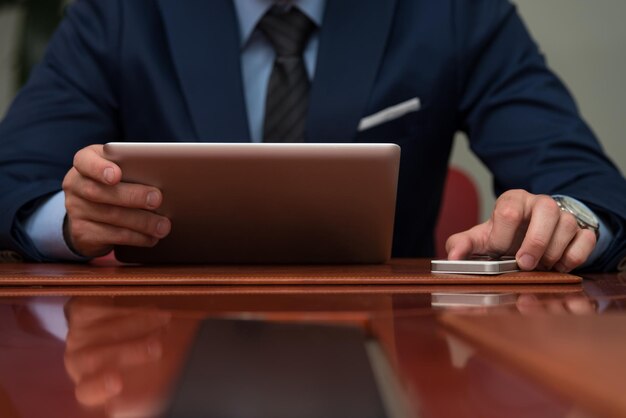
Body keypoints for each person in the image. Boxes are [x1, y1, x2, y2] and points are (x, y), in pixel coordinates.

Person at [0, 0, 625, 271]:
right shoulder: (121, 14)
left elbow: (583, 182)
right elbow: (13, 175)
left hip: (389, 346)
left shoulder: (452, 11)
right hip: (156, 347)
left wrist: (567, 219)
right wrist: (70, 219)